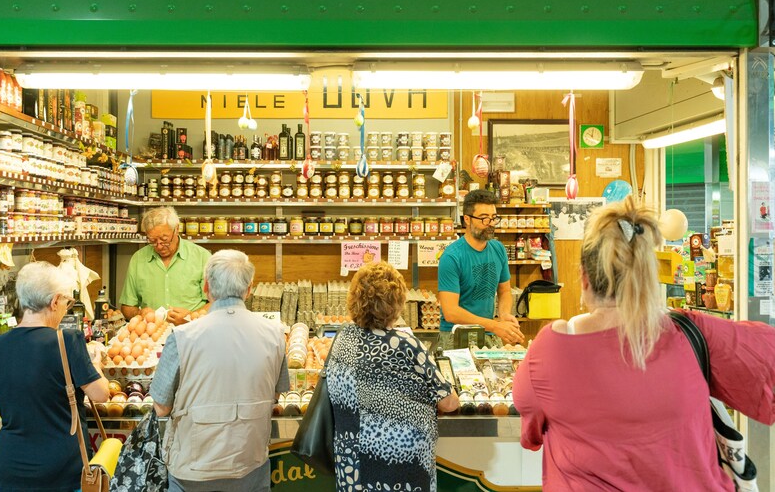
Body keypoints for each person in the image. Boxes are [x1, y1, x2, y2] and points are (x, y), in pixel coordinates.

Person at [512, 196, 775, 490]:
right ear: (647, 274)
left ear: (584, 278)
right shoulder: (690, 331)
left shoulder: (551, 348)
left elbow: (531, 431)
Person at [150, 249, 288, 492]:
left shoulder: (182, 336)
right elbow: (276, 396)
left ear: (206, 288)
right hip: (249, 464)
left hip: (193, 470)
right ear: (249, 289)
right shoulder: (275, 334)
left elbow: (161, 408)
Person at [326, 261, 459, 492]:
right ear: (397, 303)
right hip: (401, 465)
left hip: (352, 462)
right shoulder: (405, 343)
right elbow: (448, 402)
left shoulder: (342, 337)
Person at [0, 261, 110, 492]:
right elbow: (100, 394)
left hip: (8, 470)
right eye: (67, 303)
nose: (65, 309)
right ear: (54, 301)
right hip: (60, 471)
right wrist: (96, 363)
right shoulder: (67, 341)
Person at [438, 188, 525, 344]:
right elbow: (450, 312)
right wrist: (494, 326)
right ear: (467, 219)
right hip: (455, 334)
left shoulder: (498, 249)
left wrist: (504, 315)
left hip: (488, 331)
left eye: (493, 218)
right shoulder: (451, 257)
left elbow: (504, 291)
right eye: (484, 218)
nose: (490, 224)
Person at [120, 206, 210, 325]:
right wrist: (138, 314)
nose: (159, 246)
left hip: (192, 332)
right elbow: (127, 306)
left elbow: (216, 304)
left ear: (176, 229)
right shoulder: (138, 259)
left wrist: (190, 317)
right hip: (152, 337)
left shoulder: (202, 257)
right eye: (152, 241)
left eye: (164, 239)